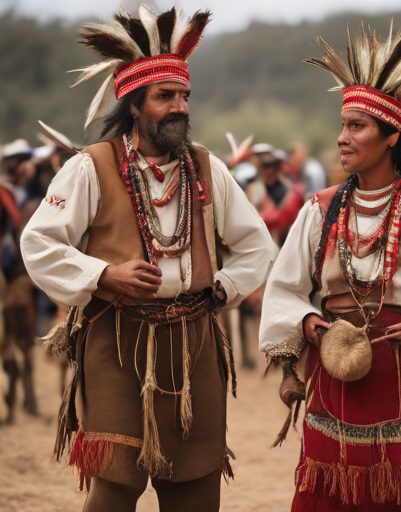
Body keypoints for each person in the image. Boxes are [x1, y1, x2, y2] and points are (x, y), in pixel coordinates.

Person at [21, 6, 274, 512]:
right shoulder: (89, 168)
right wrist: (103, 273)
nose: (180, 106)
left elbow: (257, 246)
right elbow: (39, 243)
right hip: (116, 344)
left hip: (194, 344)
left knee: (196, 490)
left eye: (184, 95)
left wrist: (222, 287)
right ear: (135, 104)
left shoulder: (208, 167)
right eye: (165, 97)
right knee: (114, 488)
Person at [260, 23, 401, 511]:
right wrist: (307, 323)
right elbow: (283, 289)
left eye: (357, 127)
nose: (342, 138)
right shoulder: (320, 210)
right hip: (334, 374)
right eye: (343, 125)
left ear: (392, 136)